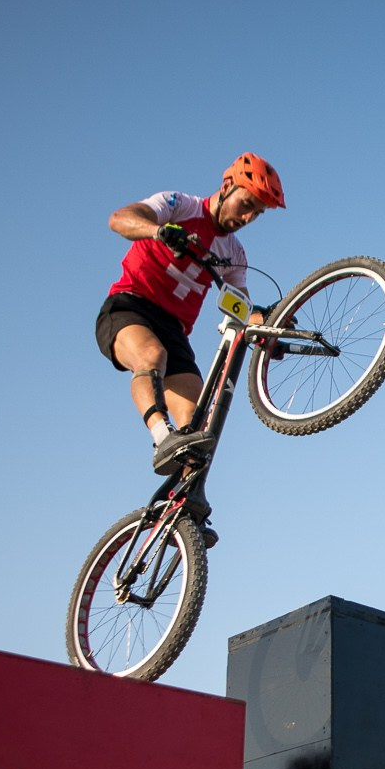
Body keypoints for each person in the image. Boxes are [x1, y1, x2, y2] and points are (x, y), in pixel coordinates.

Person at [95, 152, 286, 539]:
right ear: (227, 185)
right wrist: (158, 231)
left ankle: (183, 512)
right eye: (247, 205)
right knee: (152, 357)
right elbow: (119, 219)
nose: (247, 218)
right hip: (129, 307)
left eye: (257, 215)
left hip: (174, 330)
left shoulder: (234, 254)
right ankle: (160, 438)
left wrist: (267, 328)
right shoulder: (178, 205)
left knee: (200, 428)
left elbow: (240, 308)